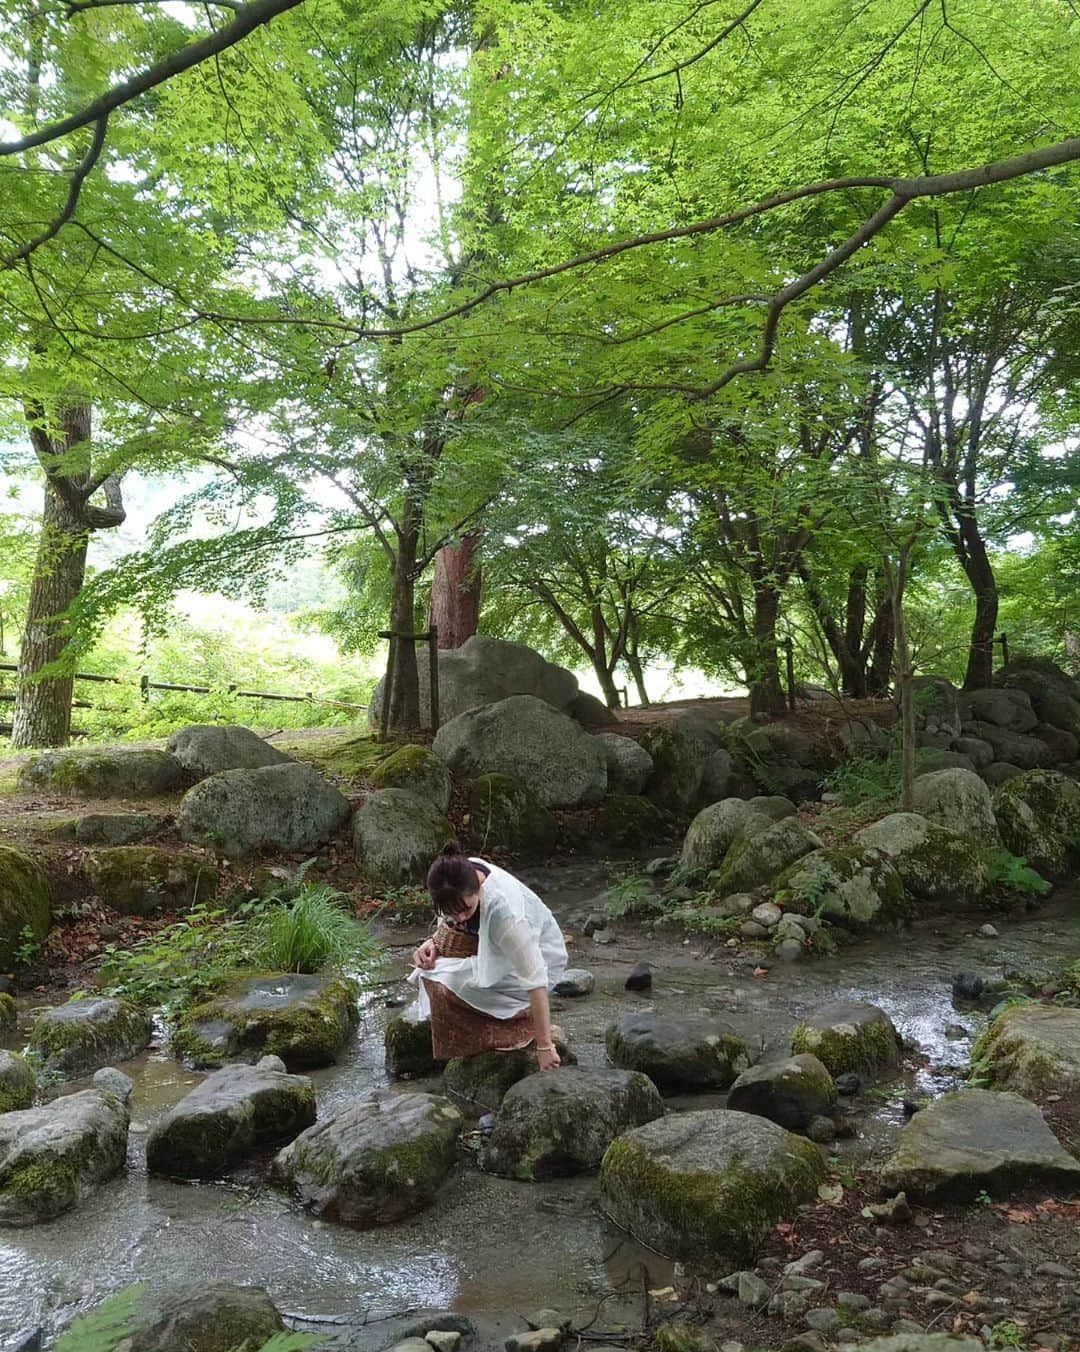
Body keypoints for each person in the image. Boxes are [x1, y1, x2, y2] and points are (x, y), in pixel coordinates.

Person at [411, 842, 568, 1071]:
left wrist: (545, 1046)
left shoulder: (504, 914)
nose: (460, 917)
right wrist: (433, 942)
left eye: (466, 909)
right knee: (428, 971)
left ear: (477, 890)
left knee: (449, 982)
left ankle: (517, 1027)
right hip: (495, 950)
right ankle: (495, 1023)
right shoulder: (459, 876)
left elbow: (536, 978)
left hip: (542, 959)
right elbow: (450, 921)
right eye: (451, 912)